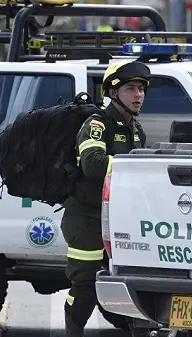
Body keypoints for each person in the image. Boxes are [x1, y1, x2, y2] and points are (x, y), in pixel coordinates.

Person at [62, 61, 151, 337]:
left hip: (120, 221)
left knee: (133, 284)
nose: (139, 95)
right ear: (113, 93)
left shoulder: (137, 130)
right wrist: (131, 165)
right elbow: (92, 163)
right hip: (87, 221)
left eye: (141, 89)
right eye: (131, 89)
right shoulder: (97, 124)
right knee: (85, 287)